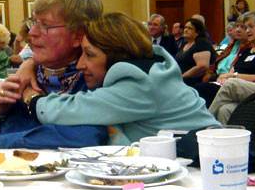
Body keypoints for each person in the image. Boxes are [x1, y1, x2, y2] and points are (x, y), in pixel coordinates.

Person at [21, 12, 219, 144]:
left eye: (89, 55)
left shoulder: (139, 84)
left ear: (116, 55)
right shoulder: (151, 70)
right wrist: (30, 63)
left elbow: (63, 110)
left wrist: (29, 94)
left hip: (204, 166)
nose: (81, 65)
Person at [0, 0, 108, 148]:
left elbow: (92, 136)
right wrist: (0, 111)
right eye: (33, 22)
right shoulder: (29, 77)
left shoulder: (94, 78)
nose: (32, 33)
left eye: (45, 25)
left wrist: (8, 141)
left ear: (78, 35)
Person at [175, 18, 218, 86]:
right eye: (185, 27)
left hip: (194, 82)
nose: (186, 30)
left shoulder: (202, 44)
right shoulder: (184, 44)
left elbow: (202, 66)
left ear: (197, 32)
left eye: (190, 28)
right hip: (180, 80)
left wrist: (182, 76)